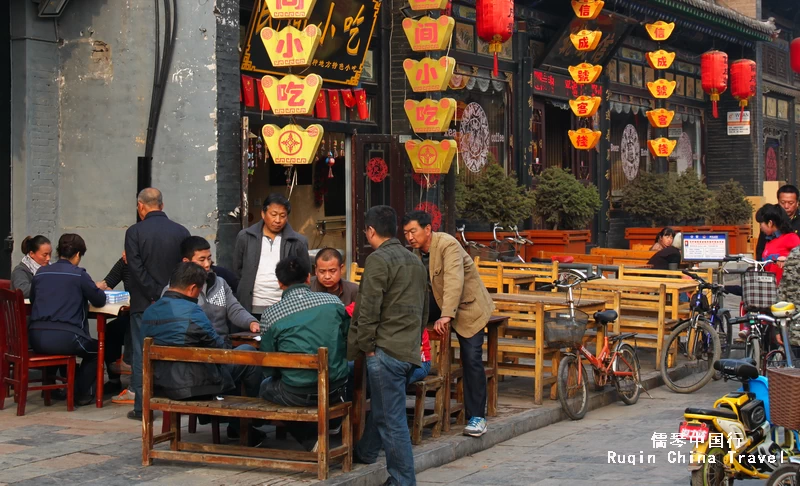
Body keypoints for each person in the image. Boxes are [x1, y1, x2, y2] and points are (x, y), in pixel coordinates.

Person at [348, 206, 428, 486]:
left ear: (370, 231)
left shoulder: (378, 260)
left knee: (391, 420)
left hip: (387, 350)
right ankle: (366, 452)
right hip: (407, 349)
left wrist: (368, 346)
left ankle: (403, 480)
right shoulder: (414, 260)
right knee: (384, 412)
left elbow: (368, 308)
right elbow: (424, 309)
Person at [142, 262, 264, 444]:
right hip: (194, 385)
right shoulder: (192, 312)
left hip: (160, 383)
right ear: (193, 289)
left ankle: (238, 425)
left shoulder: (149, 312)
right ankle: (246, 423)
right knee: (247, 354)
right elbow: (219, 350)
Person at [402, 210, 494, 437]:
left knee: (471, 357)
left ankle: (477, 417)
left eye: (413, 231)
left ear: (427, 229)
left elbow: (455, 280)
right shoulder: (415, 253)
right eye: (406, 233)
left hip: (468, 306)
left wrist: (446, 315)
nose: (410, 237)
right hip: (438, 303)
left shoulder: (448, 244)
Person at [258, 255, 350, 451]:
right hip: (336, 388)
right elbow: (346, 338)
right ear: (310, 277)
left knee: (265, 387)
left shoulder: (271, 315)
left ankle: (309, 438)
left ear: (280, 283)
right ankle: (332, 424)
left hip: (297, 393)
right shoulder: (334, 302)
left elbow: (269, 367)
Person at [28, 234, 124, 406]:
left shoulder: (40, 273)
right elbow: (99, 300)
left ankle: (53, 388)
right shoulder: (79, 275)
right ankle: (80, 392)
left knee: (60, 344)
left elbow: (34, 300)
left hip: (36, 338)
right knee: (97, 350)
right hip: (67, 338)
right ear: (78, 255)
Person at [125, 187, 191, 421]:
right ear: (161, 205)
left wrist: (153, 293)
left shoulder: (134, 232)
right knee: (174, 350)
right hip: (175, 302)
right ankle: (177, 400)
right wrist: (167, 293)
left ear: (140, 206)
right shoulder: (181, 231)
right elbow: (184, 267)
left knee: (142, 352)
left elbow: (135, 267)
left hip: (144, 303)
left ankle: (142, 407)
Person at [233, 193, 310, 318]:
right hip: (252, 307)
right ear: (263, 214)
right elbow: (237, 270)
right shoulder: (245, 237)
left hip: (286, 307)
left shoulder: (298, 242)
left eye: (282, 216)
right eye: (273, 215)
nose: (278, 220)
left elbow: (305, 275)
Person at [176, 236, 260, 342]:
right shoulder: (175, 289)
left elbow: (234, 309)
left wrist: (251, 322)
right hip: (194, 345)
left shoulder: (219, 283)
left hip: (221, 344)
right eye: (201, 260)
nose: (207, 264)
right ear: (186, 261)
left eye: (209, 258)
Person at [96, 251, 135, 403]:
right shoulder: (124, 263)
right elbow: (107, 282)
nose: (124, 253)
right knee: (110, 330)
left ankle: (130, 365)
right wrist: (103, 288)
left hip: (147, 314)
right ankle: (113, 380)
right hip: (129, 313)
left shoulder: (150, 264)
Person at [757, 203, 800, 285]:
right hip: (771, 289)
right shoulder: (769, 241)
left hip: (787, 289)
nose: (760, 227)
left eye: (761, 223)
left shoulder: (791, 238)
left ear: (770, 223)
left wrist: (787, 260)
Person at [756, 185, 800, 259]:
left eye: (790, 203)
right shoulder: (770, 220)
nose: (786, 206)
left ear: (797, 203)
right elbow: (761, 248)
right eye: (782, 202)